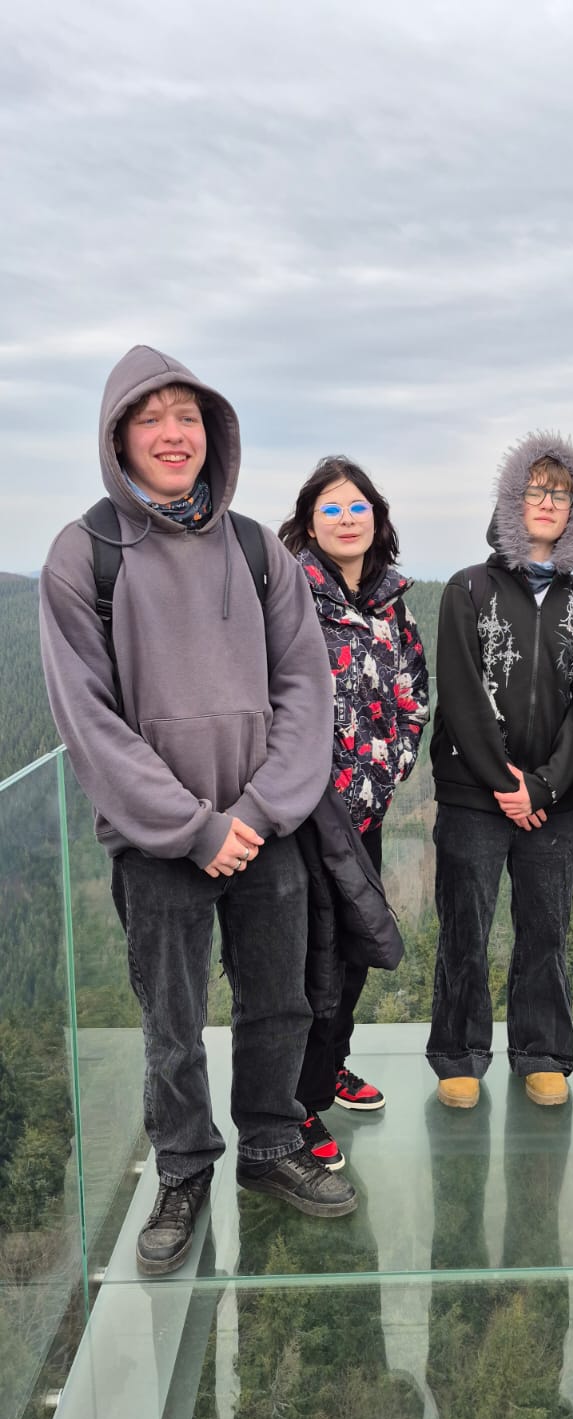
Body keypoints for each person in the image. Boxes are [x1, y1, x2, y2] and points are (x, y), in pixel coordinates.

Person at [39, 345, 357, 1276]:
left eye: (187, 416)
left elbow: (305, 687)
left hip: (265, 827)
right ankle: (182, 1168)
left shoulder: (258, 550)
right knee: (171, 1023)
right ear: (118, 438)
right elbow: (88, 721)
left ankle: (270, 1141)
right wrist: (194, 827)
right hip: (158, 842)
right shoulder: (84, 554)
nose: (172, 434)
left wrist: (258, 809)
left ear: (212, 432)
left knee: (280, 1002)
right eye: (151, 418)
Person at [426, 431, 573, 1108]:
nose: (547, 501)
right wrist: (507, 785)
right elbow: (460, 694)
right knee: (464, 928)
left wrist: (545, 785)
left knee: (547, 930)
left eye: (560, 493)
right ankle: (459, 1054)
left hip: (554, 799)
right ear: (510, 500)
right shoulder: (468, 588)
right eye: (535, 489)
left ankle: (542, 1052)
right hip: (474, 796)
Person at [279, 456, 429, 1169]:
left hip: (365, 817)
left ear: (377, 517)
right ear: (310, 523)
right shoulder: (288, 597)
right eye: (332, 508)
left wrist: (387, 774)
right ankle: (299, 1103)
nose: (346, 519)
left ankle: (328, 1066)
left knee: (358, 948)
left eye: (357, 506)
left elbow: (413, 699)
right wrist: (304, 788)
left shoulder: (391, 602)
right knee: (313, 961)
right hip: (303, 819)